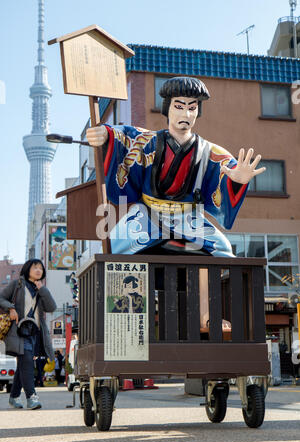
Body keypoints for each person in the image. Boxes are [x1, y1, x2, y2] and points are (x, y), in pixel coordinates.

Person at [86, 76, 266, 256]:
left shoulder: (209, 151)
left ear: (198, 111)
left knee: (223, 251)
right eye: (179, 107)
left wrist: (237, 182)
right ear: (167, 108)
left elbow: (228, 171)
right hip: (147, 215)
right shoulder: (145, 141)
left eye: (192, 108)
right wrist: (106, 135)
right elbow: (122, 136)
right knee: (114, 249)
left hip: (189, 219)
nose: (186, 115)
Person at [0, 259, 56, 409]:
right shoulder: (17, 284)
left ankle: (13, 397)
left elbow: (51, 307)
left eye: (40, 268)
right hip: (18, 331)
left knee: (23, 364)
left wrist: (42, 290)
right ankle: (31, 397)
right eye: (35, 267)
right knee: (27, 362)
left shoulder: (40, 289)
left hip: (35, 332)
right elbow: (1, 298)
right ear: (27, 269)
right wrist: (11, 308)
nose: (38, 270)